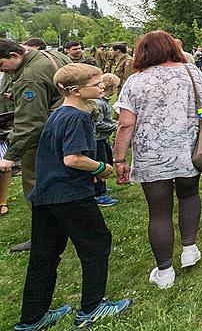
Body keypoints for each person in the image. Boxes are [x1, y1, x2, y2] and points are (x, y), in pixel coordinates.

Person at [15, 63, 132, 330]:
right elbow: (73, 158)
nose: (102, 88)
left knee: (44, 256)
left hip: (45, 195)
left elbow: (55, 155)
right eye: (97, 84)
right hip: (69, 195)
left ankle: (32, 318)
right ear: (76, 90)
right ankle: (91, 308)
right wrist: (101, 167)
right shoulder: (78, 117)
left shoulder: (57, 114)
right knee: (96, 244)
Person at [112, 31, 202, 288]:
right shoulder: (193, 73)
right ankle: (190, 249)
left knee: (158, 212)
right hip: (189, 151)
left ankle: (165, 271)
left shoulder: (135, 81)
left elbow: (126, 125)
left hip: (151, 154)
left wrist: (119, 159)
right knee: (189, 196)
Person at [0, 38, 71, 253]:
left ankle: (44, 237)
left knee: (35, 186)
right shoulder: (50, 55)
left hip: (42, 137)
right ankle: (64, 229)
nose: (3, 72)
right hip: (66, 128)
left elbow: (30, 123)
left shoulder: (29, 76)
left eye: (1, 65)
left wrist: (10, 155)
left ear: (14, 55)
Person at [92, 73, 120, 207]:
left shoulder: (104, 102)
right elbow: (98, 124)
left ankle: (101, 186)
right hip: (97, 139)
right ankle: (99, 193)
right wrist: (115, 126)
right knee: (100, 165)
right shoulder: (99, 103)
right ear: (113, 87)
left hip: (103, 139)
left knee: (107, 160)